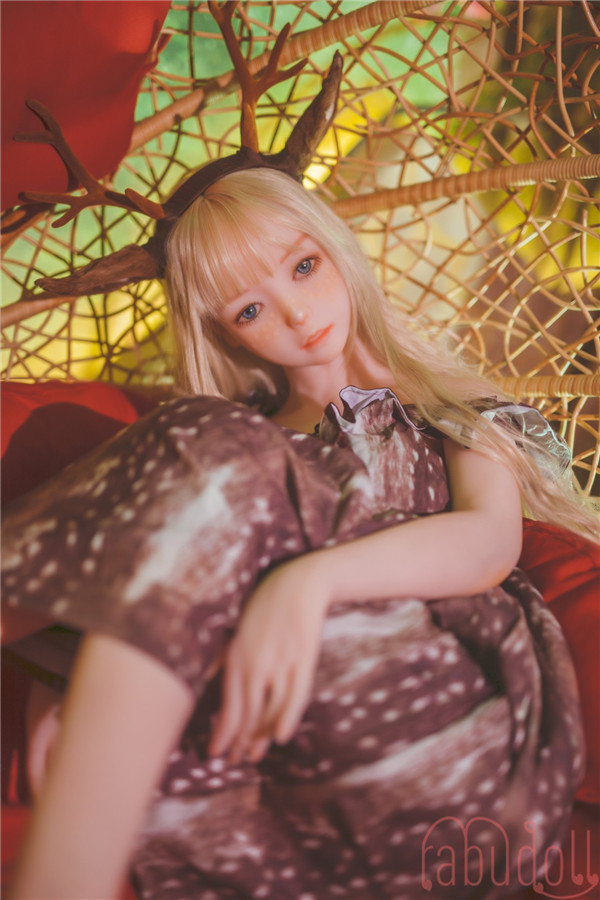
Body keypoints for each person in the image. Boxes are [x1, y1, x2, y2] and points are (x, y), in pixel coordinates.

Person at [4, 167, 596, 900]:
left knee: (207, 441)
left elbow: (489, 542)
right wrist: (64, 689)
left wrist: (308, 581)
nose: (294, 312)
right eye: (250, 309)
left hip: (429, 715)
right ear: (222, 332)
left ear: (335, 247)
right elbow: (159, 604)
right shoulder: (224, 448)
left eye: (305, 266)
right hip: (259, 732)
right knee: (203, 439)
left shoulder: (444, 411)